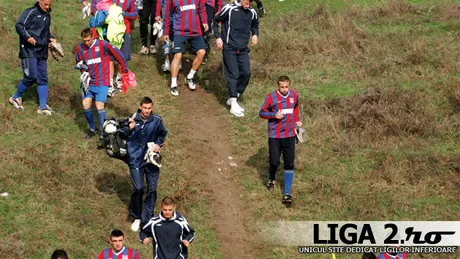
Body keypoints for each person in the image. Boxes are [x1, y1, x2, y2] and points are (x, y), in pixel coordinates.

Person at [119, 97, 168, 232]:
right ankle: (136, 216)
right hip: (135, 159)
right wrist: (129, 128)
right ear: (140, 106)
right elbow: (122, 134)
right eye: (145, 108)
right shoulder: (132, 118)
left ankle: (147, 219)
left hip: (151, 159)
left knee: (152, 189)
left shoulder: (157, 120)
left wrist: (158, 144)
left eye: (149, 108)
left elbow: (162, 133)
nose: (147, 111)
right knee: (139, 188)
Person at [75, 28, 129, 145]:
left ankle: (104, 134)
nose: (86, 43)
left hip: (102, 81)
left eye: (88, 40)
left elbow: (118, 54)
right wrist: (82, 70)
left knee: (99, 105)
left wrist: (125, 69)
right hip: (89, 82)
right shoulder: (80, 48)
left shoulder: (103, 45)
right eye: (84, 40)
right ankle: (93, 129)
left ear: (93, 37)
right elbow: (78, 62)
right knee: (85, 104)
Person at [258, 76, 302, 204]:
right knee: (275, 161)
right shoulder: (271, 97)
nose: (284, 89)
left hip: (289, 135)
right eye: (282, 87)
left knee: (289, 163)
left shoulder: (294, 95)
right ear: (278, 86)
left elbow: (295, 108)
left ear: (289, 85)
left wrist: (297, 120)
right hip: (275, 136)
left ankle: (287, 194)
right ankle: (271, 178)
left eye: (286, 87)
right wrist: (273, 115)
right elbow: (261, 113)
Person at [10, 0, 56, 115]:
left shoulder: (47, 15)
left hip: (42, 50)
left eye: (50, 5)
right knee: (31, 75)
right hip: (29, 49)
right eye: (46, 4)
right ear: (40, 1)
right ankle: (15, 97)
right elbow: (19, 26)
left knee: (43, 78)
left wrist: (51, 38)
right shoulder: (30, 12)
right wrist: (28, 37)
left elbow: (45, 32)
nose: (47, 7)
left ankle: (42, 107)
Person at [213, 0, 259, 117]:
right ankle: (233, 103)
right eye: (247, 1)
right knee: (234, 74)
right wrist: (218, 37)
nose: (249, 3)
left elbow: (255, 25)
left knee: (246, 73)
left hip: (243, 49)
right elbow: (215, 21)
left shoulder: (252, 12)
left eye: (251, 1)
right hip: (229, 48)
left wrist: (255, 34)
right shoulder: (229, 9)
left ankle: (235, 96)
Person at [163, 0, 208, 96]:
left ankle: (190, 76)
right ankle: (173, 84)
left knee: (202, 52)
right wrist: (166, 31)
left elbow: (202, 9)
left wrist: (204, 21)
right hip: (180, 31)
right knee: (178, 56)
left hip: (196, 31)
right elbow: (167, 15)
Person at [108, 0, 138, 97]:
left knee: (123, 57)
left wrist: (122, 13)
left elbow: (134, 14)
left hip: (125, 30)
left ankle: (119, 79)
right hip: (112, 30)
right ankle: (110, 83)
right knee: (110, 57)